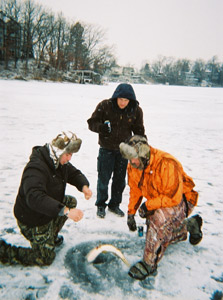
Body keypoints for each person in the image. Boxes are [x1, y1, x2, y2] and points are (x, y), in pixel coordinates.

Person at [0, 131, 92, 266]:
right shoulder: (36, 167)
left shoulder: (58, 161)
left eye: (71, 154)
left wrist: (84, 186)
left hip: (45, 211)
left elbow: (73, 174)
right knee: (45, 258)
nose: (69, 158)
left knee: (70, 202)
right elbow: (35, 198)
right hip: (32, 219)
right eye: (68, 154)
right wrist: (66, 211)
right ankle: (5, 251)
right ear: (58, 151)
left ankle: (50, 236)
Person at [119, 135, 203, 280]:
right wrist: (131, 213)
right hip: (161, 200)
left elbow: (173, 198)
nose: (131, 162)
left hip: (181, 201)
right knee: (155, 233)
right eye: (129, 159)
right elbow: (135, 189)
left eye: (134, 159)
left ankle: (149, 264)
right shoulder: (135, 164)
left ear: (143, 154)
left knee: (158, 221)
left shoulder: (167, 163)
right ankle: (189, 226)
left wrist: (148, 205)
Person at [87, 83, 146, 218]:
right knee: (104, 178)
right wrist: (101, 128)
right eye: (120, 99)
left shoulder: (136, 110)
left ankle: (114, 204)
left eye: (126, 100)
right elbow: (91, 123)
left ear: (130, 100)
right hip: (106, 149)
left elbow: (139, 130)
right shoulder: (105, 106)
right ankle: (101, 204)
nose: (123, 103)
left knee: (120, 180)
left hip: (124, 151)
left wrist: (143, 146)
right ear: (116, 97)